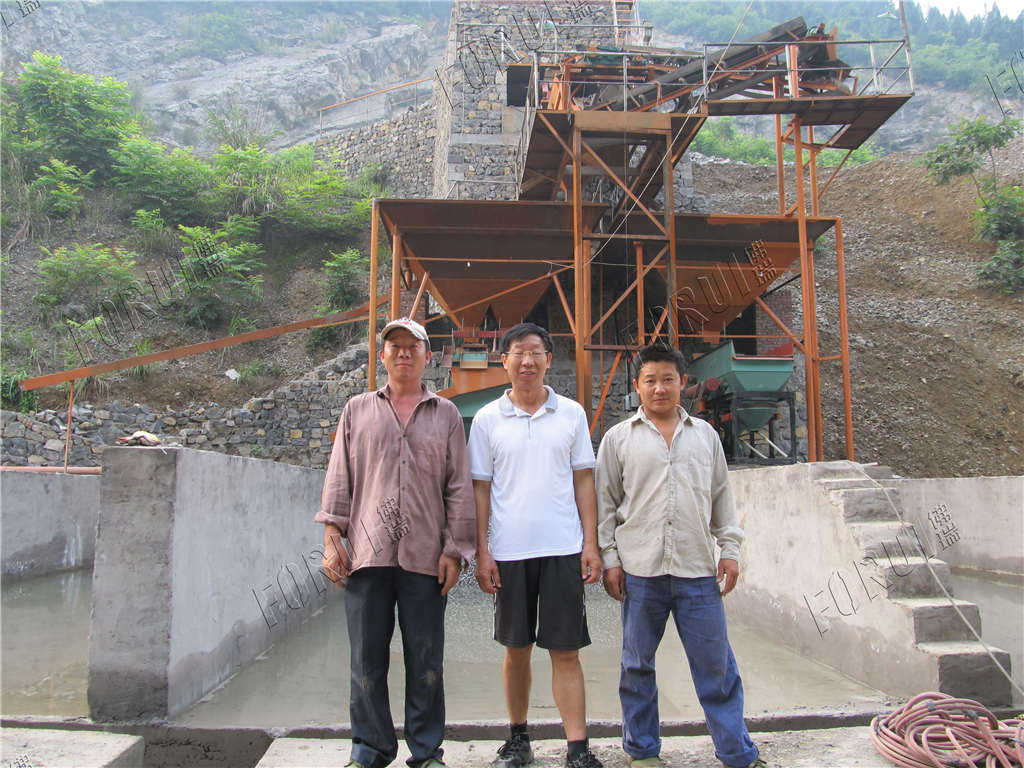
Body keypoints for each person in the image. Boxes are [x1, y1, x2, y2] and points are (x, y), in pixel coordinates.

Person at [316, 317, 475, 768]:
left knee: (426, 660)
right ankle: (370, 748)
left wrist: (455, 550)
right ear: (381, 355)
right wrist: (332, 540)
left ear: (427, 356)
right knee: (366, 659)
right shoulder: (357, 410)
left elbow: (458, 486)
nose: (403, 354)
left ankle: (426, 751)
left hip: (427, 557)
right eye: (395, 347)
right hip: (368, 556)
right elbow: (339, 479)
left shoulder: (444, 414)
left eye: (413, 347)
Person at [595, 343, 763, 768]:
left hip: (696, 572)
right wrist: (610, 560)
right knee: (636, 667)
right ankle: (643, 751)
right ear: (636, 386)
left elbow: (722, 499)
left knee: (717, 669)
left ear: (682, 383)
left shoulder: (705, 436)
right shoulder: (618, 439)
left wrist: (730, 549)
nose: (659, 388)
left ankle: (736, 752)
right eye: (650, 380)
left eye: (668, 379)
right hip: (640, 572)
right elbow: (605, 507)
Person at [468, 322, 605, 768]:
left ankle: (577, 749)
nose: (527, 361)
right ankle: (518, 739)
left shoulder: (571, 414)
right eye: (518, 352)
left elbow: (584, 479)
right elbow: (481, 489)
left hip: (563, 549)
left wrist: (591, 543)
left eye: (536, 352)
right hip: (508, 552)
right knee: (516, 649)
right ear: (504, 360)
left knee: (566, 650)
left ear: (548, 359)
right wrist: (483, 550)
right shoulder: (488, 419)